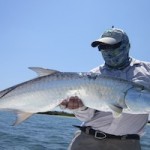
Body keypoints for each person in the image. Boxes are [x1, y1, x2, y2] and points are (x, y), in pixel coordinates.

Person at [60, 27, 150, 150]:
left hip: (128, 144)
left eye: (113, 46)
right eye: (103, 47)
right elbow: (86, 117)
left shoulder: (148, 70)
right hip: (87, 141)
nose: (108, 51)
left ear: (127, 46)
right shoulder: (91, 76)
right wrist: (79, 108)